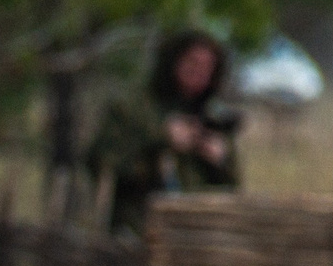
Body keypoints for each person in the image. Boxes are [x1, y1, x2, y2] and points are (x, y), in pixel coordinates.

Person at [87, 28, 240, 236]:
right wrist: (161, 139)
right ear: (173, 62)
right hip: (140, 228)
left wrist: (219, 160)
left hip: (197, 234)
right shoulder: (134, 108)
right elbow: (103, 163)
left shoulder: (212, 117)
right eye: (192, 63)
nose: (199, 73)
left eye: (208, 68)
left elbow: (232, 188)